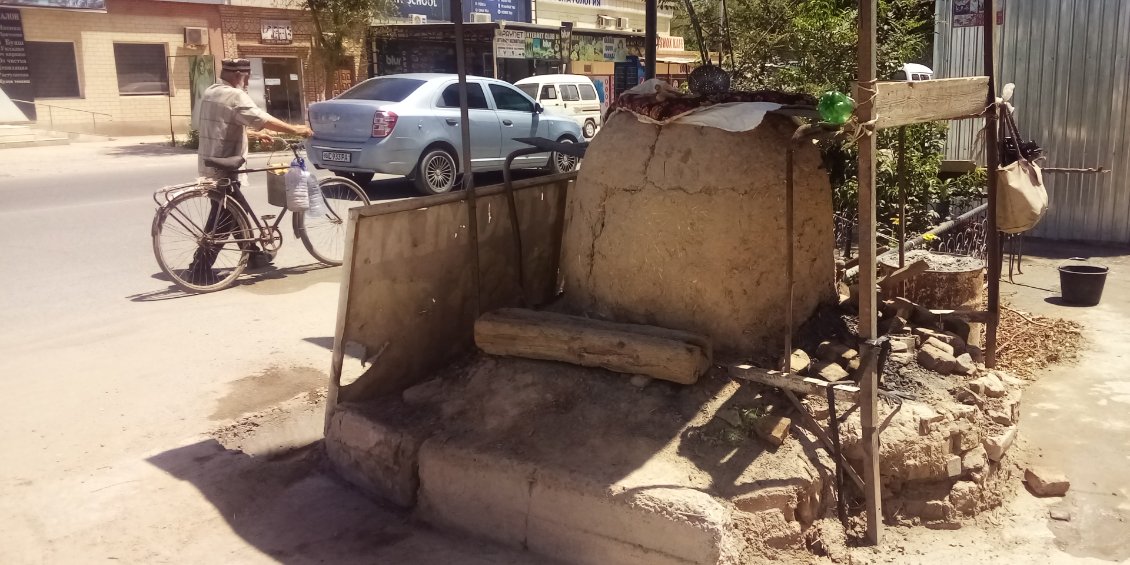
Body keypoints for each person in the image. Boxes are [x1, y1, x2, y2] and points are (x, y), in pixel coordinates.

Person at [186, 58, 312, 284]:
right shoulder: (236, 95)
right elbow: (261, 118)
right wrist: (296, 130)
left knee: (237, 210)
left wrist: (253, 135)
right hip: (226, 160)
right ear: (238, 76)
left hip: (210, 159)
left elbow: (225, 122)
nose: (245, 82)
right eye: (245, 77)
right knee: (225, 216)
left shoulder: (212, 92)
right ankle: (199, 267)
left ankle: (253, 255)